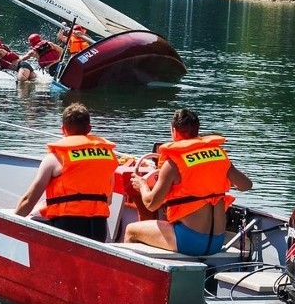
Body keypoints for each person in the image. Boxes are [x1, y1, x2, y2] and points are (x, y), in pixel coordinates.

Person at [123, 108, 252, 256]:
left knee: (131, 231)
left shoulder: (173, 164)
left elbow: (152, 204)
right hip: (216, 241)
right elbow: (246, 185)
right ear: (197, 131)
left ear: (173, 131)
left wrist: (142, 185)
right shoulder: (219, 156)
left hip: (189, 241)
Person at [14, 102, 118, 242]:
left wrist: (10, 222)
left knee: (33, 217)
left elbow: (28, 201)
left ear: (63, 129)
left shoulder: (54, 158)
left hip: (66, 229)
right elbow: (109, 200)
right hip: (99, 230)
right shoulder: (107, 157)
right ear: (89, 128)